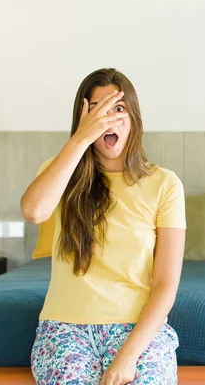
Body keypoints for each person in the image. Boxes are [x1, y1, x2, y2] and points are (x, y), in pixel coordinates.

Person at [20, 68, 186, 385]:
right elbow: (34, 211)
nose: (108, 119)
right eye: (97, 110)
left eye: (118, 109)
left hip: (137, 330)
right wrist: (82, 137)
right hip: (65, 328)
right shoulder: (60, 172)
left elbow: (166, 284)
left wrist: (127, 356)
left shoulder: (164, 184)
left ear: (134, 117)